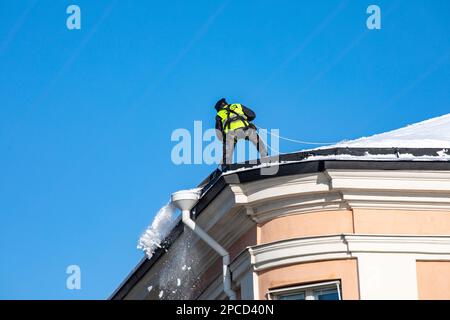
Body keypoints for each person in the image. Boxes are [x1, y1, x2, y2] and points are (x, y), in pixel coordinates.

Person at [214, 98, 268, 168]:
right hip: (245, 129)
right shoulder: (237, 105)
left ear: (219, 108)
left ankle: (225, 166)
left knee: (227, 151)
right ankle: (265, 157)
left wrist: (223, 139)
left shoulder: (219, 114)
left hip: (230, 134)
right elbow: (252, 115)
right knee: (257, 141)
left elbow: (218, 132)